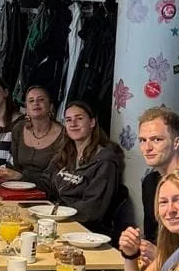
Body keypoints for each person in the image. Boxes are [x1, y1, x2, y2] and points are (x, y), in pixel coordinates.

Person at [50, 97, 124, 228]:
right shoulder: (65, 153)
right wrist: (20, 177)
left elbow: (92, 209)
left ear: (92, 123)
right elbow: (46, 182)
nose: (73, 124)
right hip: (57, 219)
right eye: (68, 120)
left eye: (79, 118)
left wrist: (57, 211)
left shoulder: (105, 161)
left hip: (84, 229)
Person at [4, 83, 63, 194]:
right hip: (18, 189)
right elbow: (13, 166)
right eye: (31, 101)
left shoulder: (63, 135)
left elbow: (55, 181)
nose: (35, 103)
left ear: (50, 106)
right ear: (26, 108)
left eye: (41, 99)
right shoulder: (18, 129)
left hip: (48, 195)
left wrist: (21, 177)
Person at [137, 105, 179, 241]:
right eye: (142, 140)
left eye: (156, 139)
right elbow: (152, 235)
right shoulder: (150, 182)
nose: (148, 148)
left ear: (176, 143)